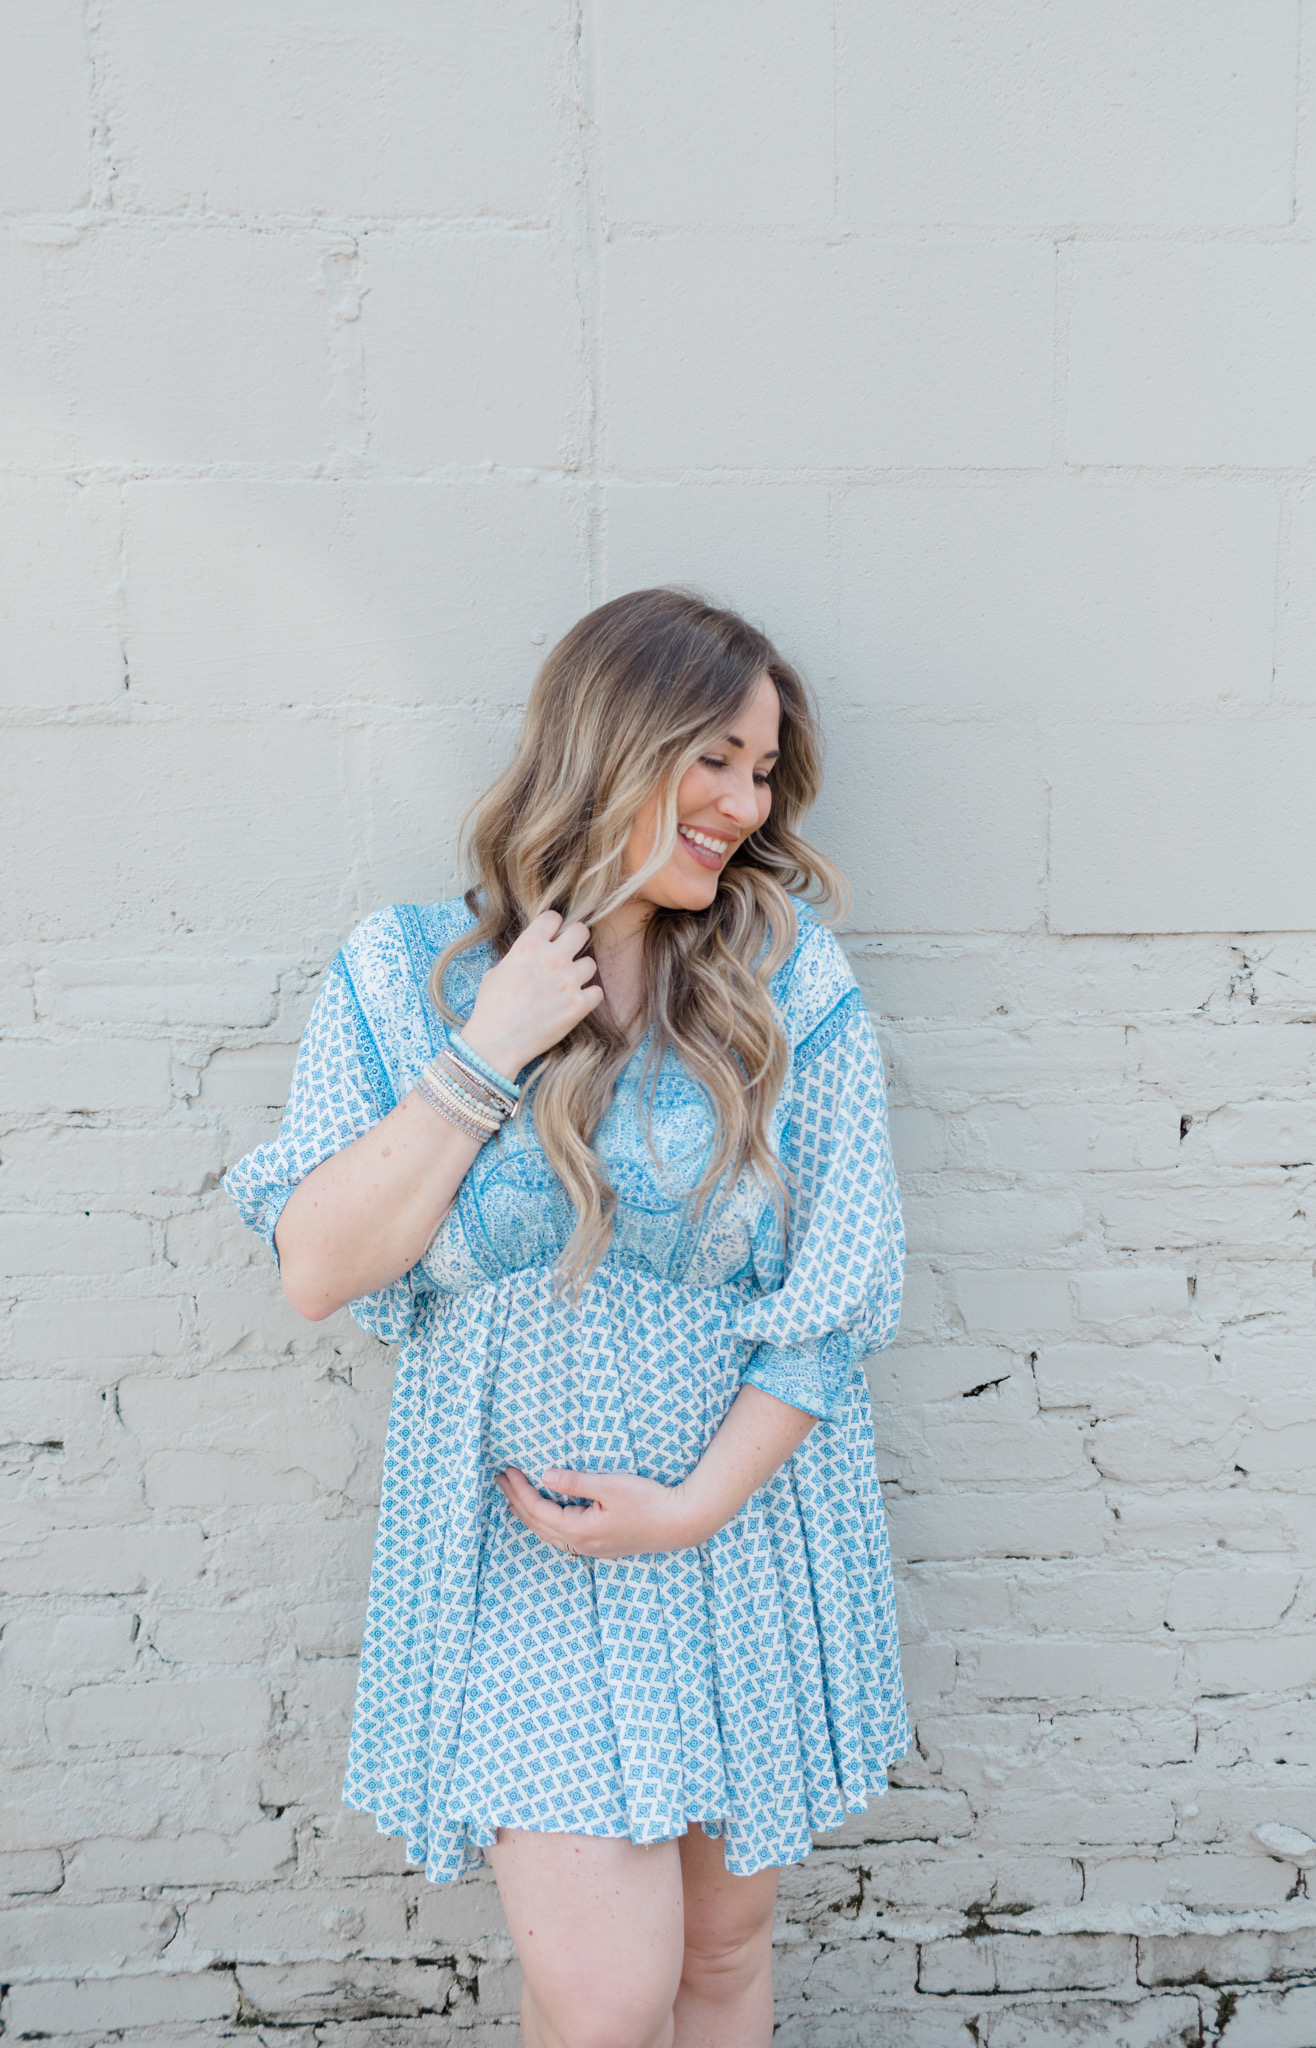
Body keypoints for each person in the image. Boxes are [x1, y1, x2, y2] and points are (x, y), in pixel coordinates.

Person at [224, 588, 908, 2048]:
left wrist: (693, 1507)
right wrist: (489, 1049)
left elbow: (835, 1295)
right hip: (522, 1557)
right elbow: (318, 1266)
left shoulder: (788, 985)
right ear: (615, 740)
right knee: (604, 2004)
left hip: (735, 1532)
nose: (743, 801)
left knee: (721, 1968)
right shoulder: (407, 976)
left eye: (765, 769)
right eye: (713, 756)